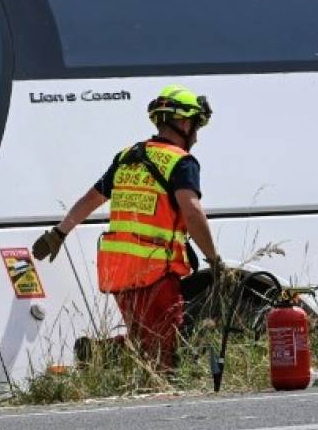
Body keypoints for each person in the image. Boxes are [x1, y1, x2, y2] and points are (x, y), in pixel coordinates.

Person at [32, 85, 221, 369]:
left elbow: (91, 198)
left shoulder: (127, 157)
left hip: (119, 269)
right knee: (164, 349)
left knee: (145, 336)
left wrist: (59, 233)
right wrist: (214, 259)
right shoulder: (181, 162)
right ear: (183, 122)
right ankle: (109, 355)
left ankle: (100, 352)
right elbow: (192, 214)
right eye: (196, 126)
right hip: (156, 269)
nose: (196, 137)